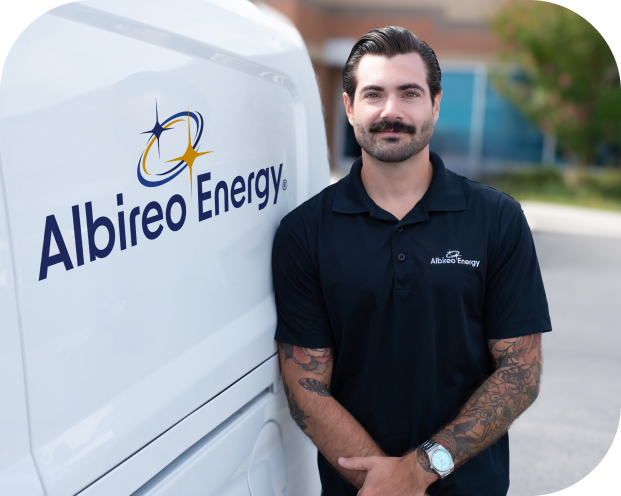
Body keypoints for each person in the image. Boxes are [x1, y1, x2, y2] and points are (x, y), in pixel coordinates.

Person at [272, 26, 551, 496]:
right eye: (374, 94)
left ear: (435, 105)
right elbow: (306, 386)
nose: (391, 112)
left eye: (410, 93)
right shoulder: (305, 232)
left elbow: (520, 373)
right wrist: (383, 484)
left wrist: (418, 471)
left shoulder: (496, 219)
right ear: (349, 106)